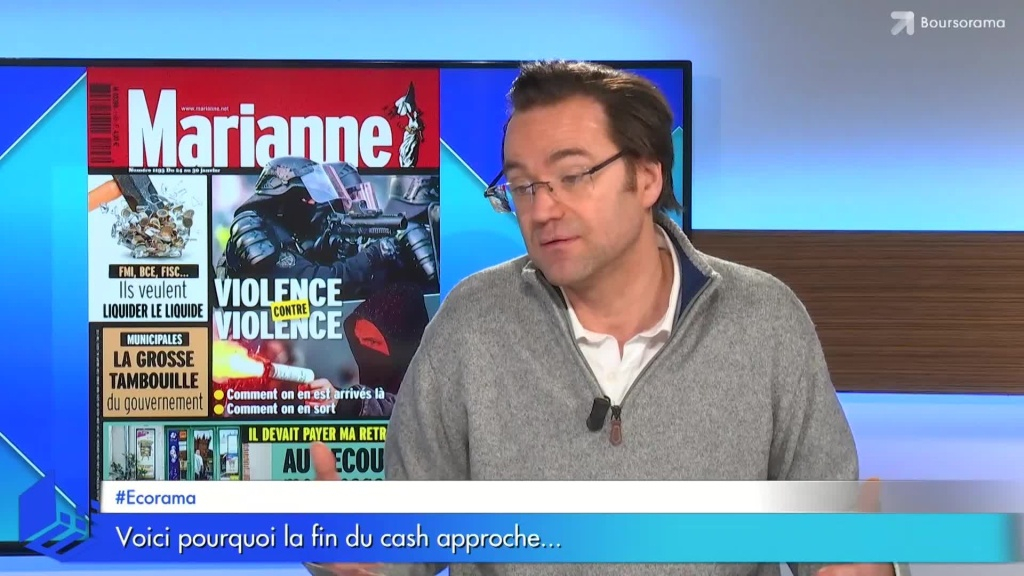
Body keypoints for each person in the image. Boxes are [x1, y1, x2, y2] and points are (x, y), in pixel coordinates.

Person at [311, 61, 906, 576]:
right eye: (521, 186)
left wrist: (867, 562)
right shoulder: (470, 322)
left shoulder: (764, 319)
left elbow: (831, 539)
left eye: (572, 176)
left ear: (646, 177)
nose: (542, 209)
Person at [214, 156, 401, 301]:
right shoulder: (256, 229)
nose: (312, 204)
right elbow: (317, 286)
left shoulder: (286, 231)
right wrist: (371, 256)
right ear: (284, 197)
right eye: (306, 197)